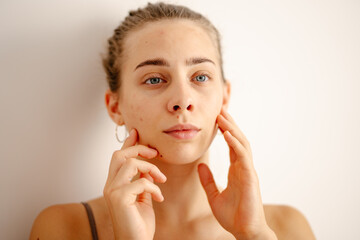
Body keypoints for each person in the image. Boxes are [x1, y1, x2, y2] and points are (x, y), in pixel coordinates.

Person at [30, 2, 316, 240]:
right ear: (115, 106)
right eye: (154, 79)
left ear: (224, 97)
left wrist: (254, 235)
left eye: (200, 77)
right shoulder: (63, 228)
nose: (182, 99)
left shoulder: (288, 228)